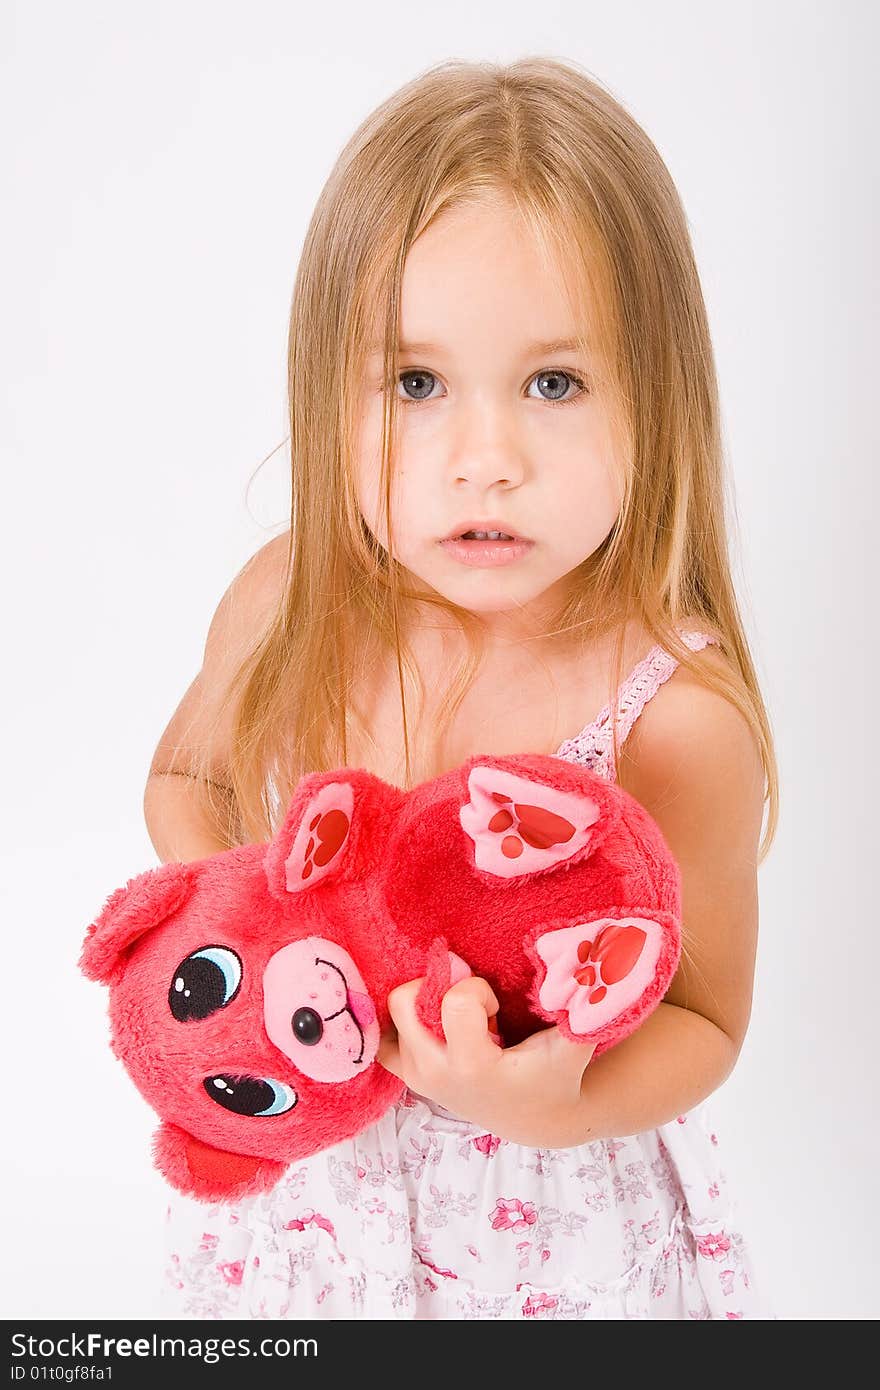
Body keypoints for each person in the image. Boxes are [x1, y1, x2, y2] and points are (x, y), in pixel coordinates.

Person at [145, 56, 778, 1320]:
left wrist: (559, 1100)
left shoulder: (671, 717)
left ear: (657, 403)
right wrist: (255, 926)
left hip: (549, 1245)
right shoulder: (291, 603)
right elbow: (188, 780)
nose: (483, 463)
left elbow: (704, 1022)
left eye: (554, 383)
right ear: (331, 391)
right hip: (313, 1212)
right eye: (416, 384)